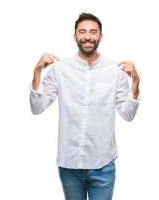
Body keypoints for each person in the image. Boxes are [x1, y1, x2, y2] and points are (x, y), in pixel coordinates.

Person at [29, 12, 140, 200]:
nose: (87, 36)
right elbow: (37, 107)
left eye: (93, 32)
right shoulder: (60, 69)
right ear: (75, 37)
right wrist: (37, 71)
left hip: (103, 164)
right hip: (69, 164)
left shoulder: (115, 72)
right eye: (82, 32)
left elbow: (128, 114)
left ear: (100, 37)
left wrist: (135, 81)